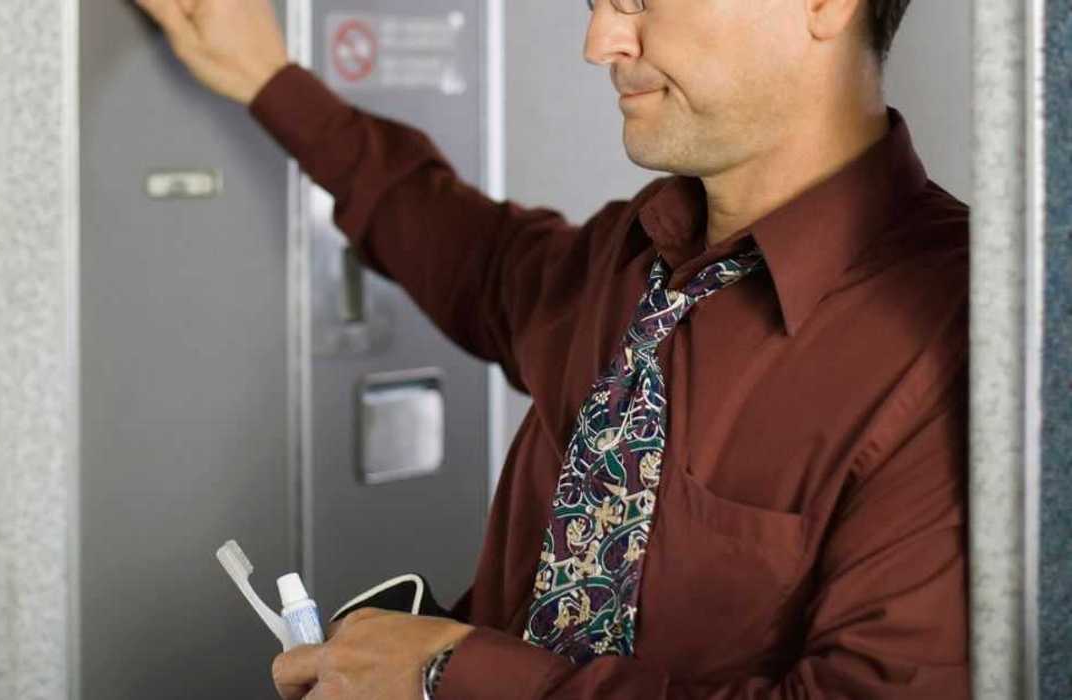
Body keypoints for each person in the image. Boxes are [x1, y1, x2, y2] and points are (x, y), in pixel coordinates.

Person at [133, 0, 969, 697]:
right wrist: (268, 80)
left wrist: (448, 673)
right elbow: (469, 251)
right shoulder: (627, 258)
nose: (600, 40)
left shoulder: (959, 336)